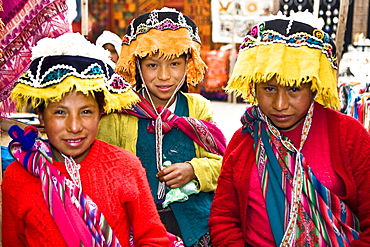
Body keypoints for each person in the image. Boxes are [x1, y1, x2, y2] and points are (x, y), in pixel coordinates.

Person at [209, 12, 370, 246]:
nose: (280, 104)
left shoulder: (347, 135)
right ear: (254, 87)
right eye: (269, 89)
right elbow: (224, 218)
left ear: (315, 87)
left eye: (294, 89)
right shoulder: (245, 139)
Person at [2, 32, 170, 246]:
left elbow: (153, 238)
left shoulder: (126, 167)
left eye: (86, 112)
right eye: (60, 113)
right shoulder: (18, 177)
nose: (74, 127)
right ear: (41, 116)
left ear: (102, 112)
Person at [97, 7, 227, 247]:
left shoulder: (198, 107)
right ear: (137, 65)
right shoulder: (118, 111)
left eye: (175, 64)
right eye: (153, 65)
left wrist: (194, 170)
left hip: (194, 228)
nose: (165, 76)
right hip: (136, 228)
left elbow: (222, 164)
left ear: (188, 64)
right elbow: (102, 170)